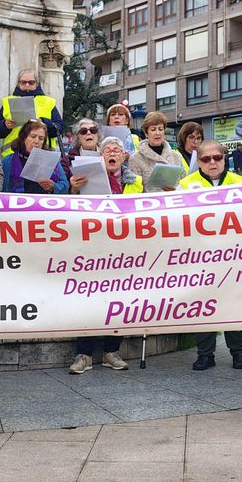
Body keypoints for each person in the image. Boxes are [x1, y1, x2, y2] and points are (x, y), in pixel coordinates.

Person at [68, 136, 140, 373]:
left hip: (124, 250)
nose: (112, 153)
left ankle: (111, 350)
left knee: (119, 301)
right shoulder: (86, 180)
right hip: (93, 250)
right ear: (101, 157)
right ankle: (84, 354)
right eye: (107, 149)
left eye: (117, 150)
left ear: (123, 156)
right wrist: (73, 190)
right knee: (88, 300)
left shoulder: (136, 182)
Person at [179, 141, 242, 370]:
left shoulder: (239, 182)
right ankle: (205, 354)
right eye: (206, 159)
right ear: (198, 161)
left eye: (217, 157)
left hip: (233, 255)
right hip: (200, 256)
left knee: (233, 305)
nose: (212, 162)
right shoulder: (186, 185)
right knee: (202, 305)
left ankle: (238, 352)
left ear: (224, 157)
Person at [0, 69, 63, 155]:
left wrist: (43, 122)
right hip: (13, 154)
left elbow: (59, 128)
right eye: (23, 82)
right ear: (18, 84)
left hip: (42, 154)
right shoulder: (8, 101)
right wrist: (5, 125)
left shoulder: (48, 102)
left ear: (37, 84)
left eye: (31, 82)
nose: (27, 85)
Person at [1, 119, 69, 194]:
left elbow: (65, 186)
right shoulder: (7, 161)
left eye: (41, 138)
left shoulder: (51, 160)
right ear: (23, 138)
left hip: (42, 204)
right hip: (14, 203)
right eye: (33, 136)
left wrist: (52, 187)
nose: (36, 141)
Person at [130, 111, 188, 191]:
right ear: (146, 133)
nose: (157, 133)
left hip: (173, 201)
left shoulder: (176, 156)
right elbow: (135, 189)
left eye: (160, 129)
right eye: (153, 129)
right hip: (150, 202)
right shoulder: (135, 159)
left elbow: (184, 183)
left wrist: (176, 189)